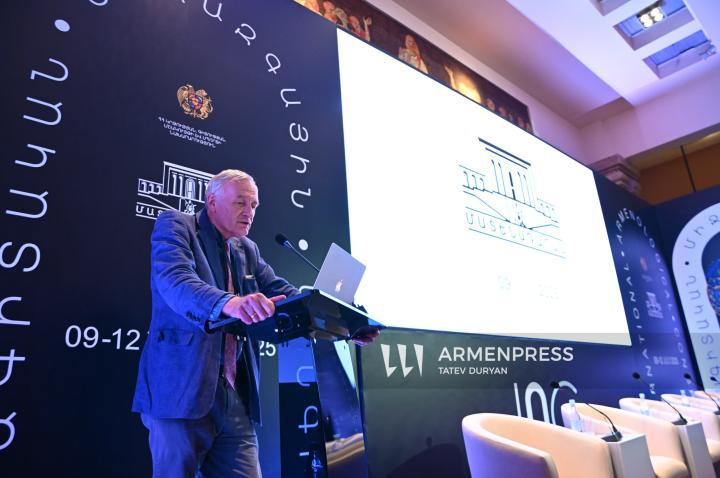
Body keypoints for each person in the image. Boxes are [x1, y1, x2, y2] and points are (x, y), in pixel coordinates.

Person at [132, 169, 377, 477]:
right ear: (212, 202)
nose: (249, 212)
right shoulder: (177, 225)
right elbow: (176, 282)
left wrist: (343, 321)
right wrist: (231, 303)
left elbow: (281, 291)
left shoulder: (246, 248)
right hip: (181, 391)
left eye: (254, 205)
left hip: (235, 396)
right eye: (240, 203)